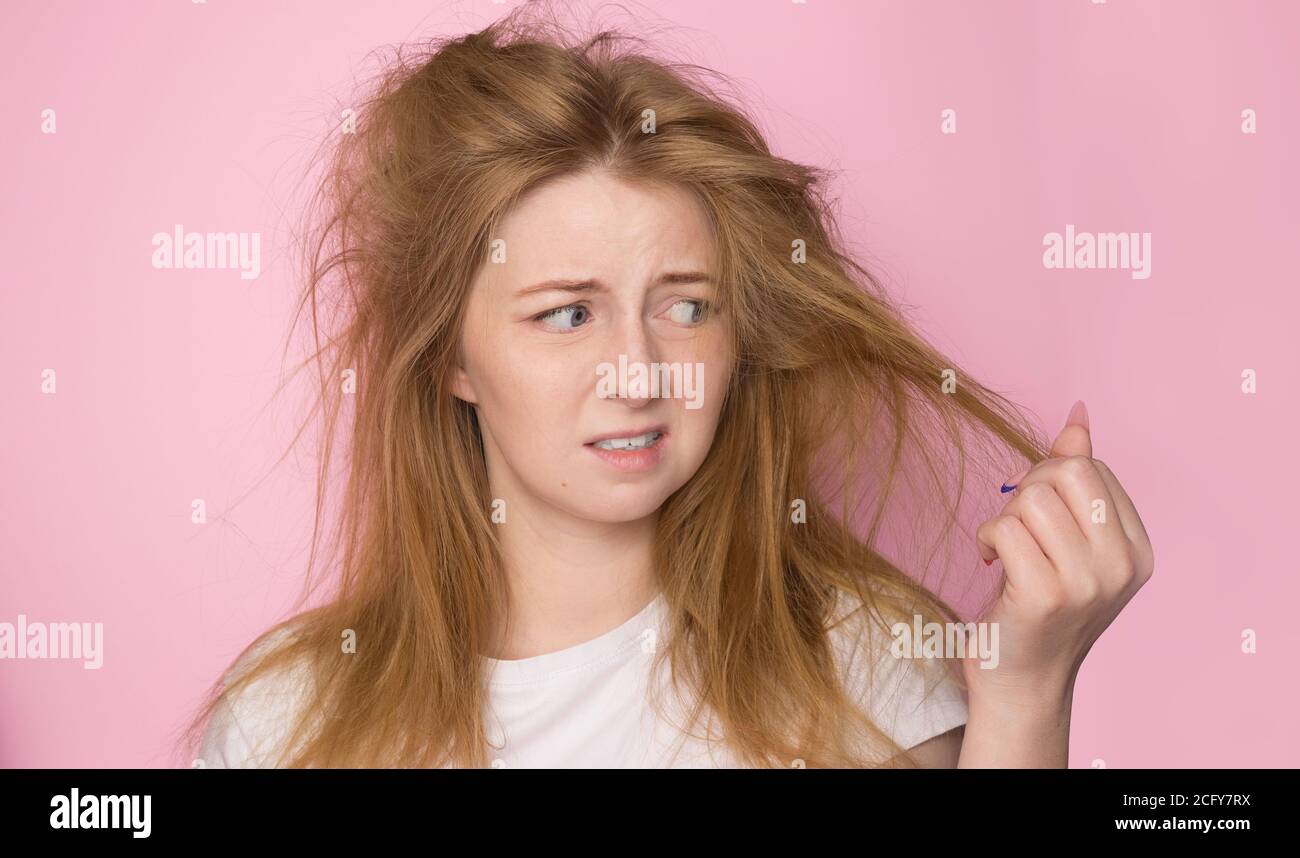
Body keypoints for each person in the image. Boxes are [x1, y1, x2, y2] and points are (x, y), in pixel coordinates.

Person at [185, 2, 1153, 769]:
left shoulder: (866, 669)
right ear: (452, 358)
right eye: (567, 313)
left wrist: (1029, 691)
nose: (638, 373)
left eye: (686, 306)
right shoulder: (283, 725)